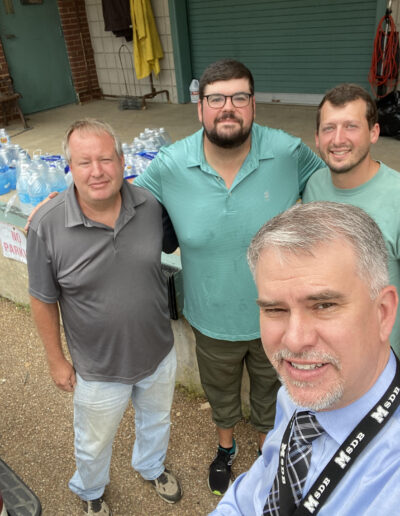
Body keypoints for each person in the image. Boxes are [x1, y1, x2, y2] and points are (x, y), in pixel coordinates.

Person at [134, 59, 324, 495]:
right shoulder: (171, 163)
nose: (227, 108)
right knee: (220, 392)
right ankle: (225, 447)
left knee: (271, 391)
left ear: (253, 105)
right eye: (215, 98)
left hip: (277, 313)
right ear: (199, 107)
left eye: (239, 97)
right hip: (211, 314)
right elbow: (124, 202)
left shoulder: (287, 151)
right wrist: (65, 201)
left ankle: (267, 450)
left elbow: (333, 182)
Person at [26, 119, 182, 516]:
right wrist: (56, 359)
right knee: (93, 442)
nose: (97, 171)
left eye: (105, 159)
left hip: (158, 351)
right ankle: (91, 490)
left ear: (122, 159)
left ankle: (151, 467)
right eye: (84, 162)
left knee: (157, 421)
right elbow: (42, 298)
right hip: (97, 367)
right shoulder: (47, 225)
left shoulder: (150, 205)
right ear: (70, 168)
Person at [212, 201, 400, 515]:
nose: (295, 340)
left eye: (324, 305)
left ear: (383, 313)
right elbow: (257, 490)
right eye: (274, 309)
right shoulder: (297, 395)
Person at [303, 83, 400, 357]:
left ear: (374, 133)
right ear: (318, 138)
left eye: (351, 126)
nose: (338, 139)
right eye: (329, 128)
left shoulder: (396, 197)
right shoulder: (314, 186)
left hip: (382, 362)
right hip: (326, 350)